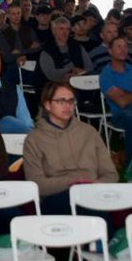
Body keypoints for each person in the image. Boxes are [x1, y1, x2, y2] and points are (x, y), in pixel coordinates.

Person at [22, 81, 116, 215]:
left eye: (71, 101)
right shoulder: (34, 139)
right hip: (57, 196)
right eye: (61, 101)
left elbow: (111, 174)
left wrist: (97, 185)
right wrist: (74, 182)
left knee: (102, 203)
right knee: (86, 207)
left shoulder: (89, 132)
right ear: (47, 105)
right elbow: (37, 184)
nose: (67, 106)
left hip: (93, 191)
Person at [99, 36, 132, 159]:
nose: (123, 50)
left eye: (125, 46)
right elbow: (122, 103)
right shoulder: (106, 75)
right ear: (110, 51)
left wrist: (127, 94)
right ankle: (130, 161)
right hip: (121, 115)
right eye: (119, 47)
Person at [37, 16, 92, 85]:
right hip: (56, 86)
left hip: (80, 83)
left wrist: (79, 74)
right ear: (53, 31)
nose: (65, 32)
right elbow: (51, 74)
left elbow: (89, 67)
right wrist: (71, 70)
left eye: (67, 29)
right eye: (61, 29)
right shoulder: (46, 49)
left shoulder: (77, 46)